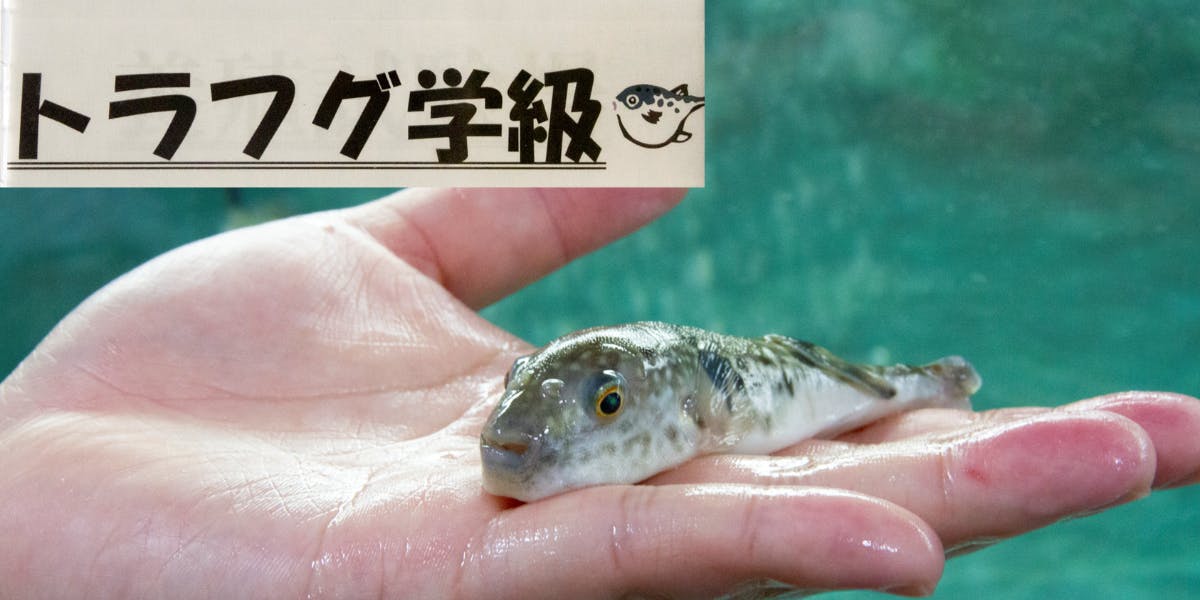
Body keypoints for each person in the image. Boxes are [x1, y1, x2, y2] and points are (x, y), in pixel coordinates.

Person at [0, 188, 1196, 599]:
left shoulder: (725, 391)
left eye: (606, 410)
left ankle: (931, 381)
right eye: (535, 402)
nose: (526, 443)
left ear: (679, 411)